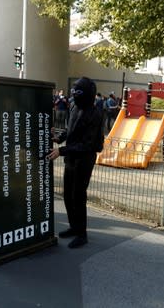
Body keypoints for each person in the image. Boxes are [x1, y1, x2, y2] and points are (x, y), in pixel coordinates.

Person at [47, 77, 104, 248]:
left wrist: (61, 150)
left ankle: (82, 233)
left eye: (78, 92)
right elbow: (69, 129)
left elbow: (87, 144)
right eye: (73, 92)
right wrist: (59, 138)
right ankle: (73, 226)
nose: (74, 95)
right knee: (67, 195)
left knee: (78, 196)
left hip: (85, 159)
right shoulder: (74, 106)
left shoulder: (95, 114)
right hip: (71, 157)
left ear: (87, 94)